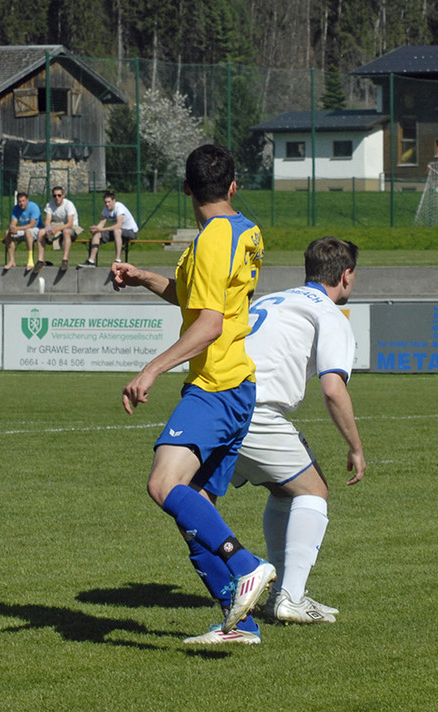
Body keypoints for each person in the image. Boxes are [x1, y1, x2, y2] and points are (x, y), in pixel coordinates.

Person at [110, 144, 273, 645]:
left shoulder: (209, 241)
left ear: (185, 189)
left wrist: (152, 368)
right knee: (194, 511)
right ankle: (237, 622)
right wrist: (143, 278)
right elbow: (197, 296)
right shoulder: (243, 231)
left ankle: (245, 566)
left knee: (163, 485)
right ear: (232, 186)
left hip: (215, 385)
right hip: (237, 384)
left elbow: (207, 323)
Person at [233, 237, 365, 625]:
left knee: (283, 489)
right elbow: (332, 388)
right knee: (314, 491)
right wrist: (356, 447)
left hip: (222, 404)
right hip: (258, 411)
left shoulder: (270, 299)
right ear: (346, 275)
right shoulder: (328, 313)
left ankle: (279, 592)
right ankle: (290, 597)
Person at [80, 190, 138, 267]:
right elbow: (101, 223)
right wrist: (96, 229)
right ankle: (91, 261)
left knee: (117, 230)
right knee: (97, 234)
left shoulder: (119, 207)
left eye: (109, 202)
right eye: (105, 202)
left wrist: (101, 229)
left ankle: (118, 260)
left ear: (114, 201)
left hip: (130, 232)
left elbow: (118, 225)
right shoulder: (106, 209)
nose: (107, 204)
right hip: (118, 232)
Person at [36, 186, 83, 271]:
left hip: (70, 228)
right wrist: (48, 230)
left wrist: (57, 229)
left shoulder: (69, 205)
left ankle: (64, 261)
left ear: (63, 195)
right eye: (54, 196)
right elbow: (47, 221)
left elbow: (70, 223)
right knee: (40, 232)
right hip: (56, 226)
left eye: (59, 195)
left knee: (66, 231)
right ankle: (40, 261)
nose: (57, 197)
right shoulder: (49, 205)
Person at [2, 191, 41, 270]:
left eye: (23, 201)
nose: (22, 203)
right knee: (7, 233)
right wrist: (12, 228)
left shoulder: (34, 207)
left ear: (27, 200)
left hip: (36, 230)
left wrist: (17, 228)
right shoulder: (16, 208)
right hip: (23, 229)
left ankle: (30, 260)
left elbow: (32, 224)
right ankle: (12, 261)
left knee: (28, 232)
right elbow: (13, 222)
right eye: (20, 201)